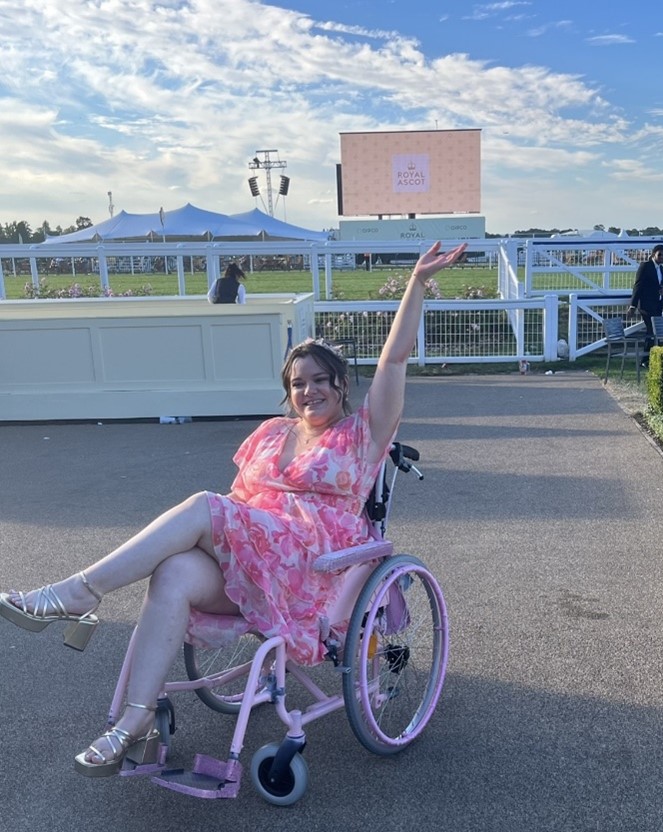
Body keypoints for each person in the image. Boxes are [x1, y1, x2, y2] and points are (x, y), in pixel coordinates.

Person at [0, 240, 467, 778]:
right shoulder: (271, 434)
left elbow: (395, 359)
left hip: (312, 572)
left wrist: (414, 285)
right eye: (298, 384)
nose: (309, 391)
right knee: (173, 572)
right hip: (254, 562)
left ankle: (77, 593)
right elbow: (241, 506)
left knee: (204, 504)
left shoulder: (362, 435)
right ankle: (132, 724)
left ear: (341, 385)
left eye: (320, 380)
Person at [628, 244, 663, 365]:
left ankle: (652, 359)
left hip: (657, 305)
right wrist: (632, 306)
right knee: (651, 330)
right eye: (659, 254)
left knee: (654, 331)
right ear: (653, 254)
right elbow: (638, 286)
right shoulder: (645, 266)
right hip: (646, 305)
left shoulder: (662, 269)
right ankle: (646, 359)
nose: (662, 257)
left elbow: (660, 284)